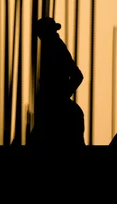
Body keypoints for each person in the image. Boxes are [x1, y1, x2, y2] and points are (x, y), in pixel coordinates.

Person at [27, 17, 85, 147]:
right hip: (49, 106)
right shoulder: (50, 48)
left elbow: (77, 75)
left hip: (54, 110)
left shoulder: (57, 48)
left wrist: (60, 97)